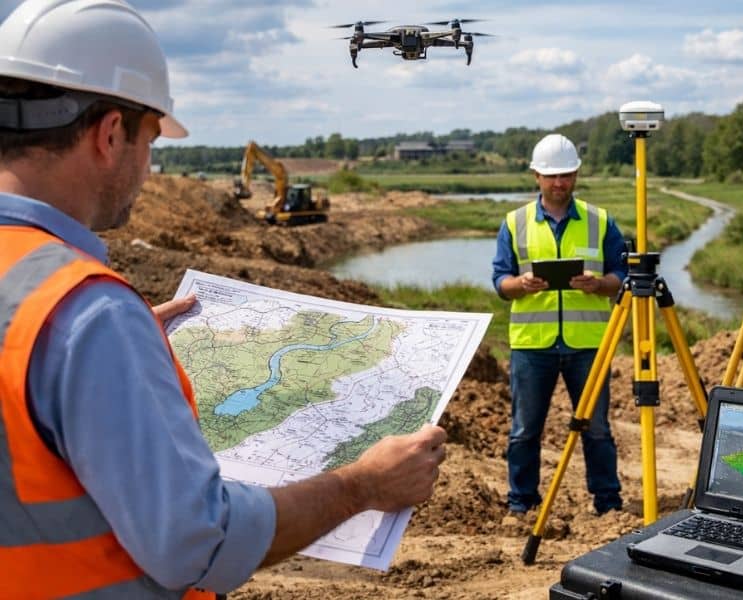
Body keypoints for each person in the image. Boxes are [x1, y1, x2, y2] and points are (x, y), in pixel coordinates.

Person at [0, 1, 446, 597]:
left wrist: (105, 357)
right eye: (151, 140)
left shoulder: (54, 309)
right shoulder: (87, 316)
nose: (150, 169)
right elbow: (200, 541)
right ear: (110, 134)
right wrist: (362, 485)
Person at [491, 133, 627, 515]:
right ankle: (522, 503)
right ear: (536, 175)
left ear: (577, 174)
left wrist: (599, 284)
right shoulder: (514, 223)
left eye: (566, 175)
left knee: (597, 429)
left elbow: (622, 274)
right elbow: (500, 282)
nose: (559, 183)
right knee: (524, 431)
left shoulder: (600, 222)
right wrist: (521, 284)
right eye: (551, 176)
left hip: (588, 345)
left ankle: (607, 502)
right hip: (533, 346)